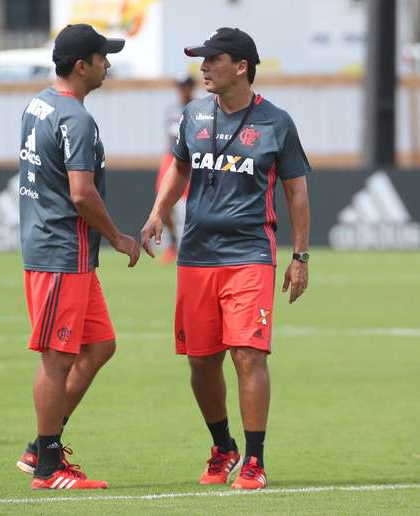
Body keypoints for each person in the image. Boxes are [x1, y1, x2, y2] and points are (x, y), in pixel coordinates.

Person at [140, 27, 311, 490]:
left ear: (241, 67)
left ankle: (254, 460)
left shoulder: (277, 122)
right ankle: (223, 446)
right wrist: (158, 212)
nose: (203, 67)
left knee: (248, 355)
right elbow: (179, 167)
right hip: (196, 257)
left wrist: (300, 256)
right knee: (201, 361)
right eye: (202, 59)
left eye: (212, 59)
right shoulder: (192, 115)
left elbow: (296, 192)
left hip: (250, 254)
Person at [16, 23, 140, 490]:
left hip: (64, 254)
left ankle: (40, 446)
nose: (109, 63)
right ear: (81, 65)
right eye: (102, 56)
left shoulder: (38, 103)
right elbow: (82, 195)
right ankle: (48, 466)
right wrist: (118, 237)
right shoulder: (76, 118)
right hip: (60, 252)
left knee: (100, 346)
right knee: (56, 359)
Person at [155, 74, 195, 264]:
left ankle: (187, 244)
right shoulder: (172, 110)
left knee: (188, 204)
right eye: (180, 87)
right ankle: (173, 241)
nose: (182, 90)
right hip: (170, 157)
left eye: (185, 86)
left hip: (190, 159)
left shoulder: (198, 109)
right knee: (163, 201)